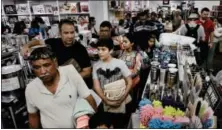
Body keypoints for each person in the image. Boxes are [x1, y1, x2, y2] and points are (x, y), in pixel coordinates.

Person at [25, 47, 97, 128]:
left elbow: (89, 99)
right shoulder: (31, 89)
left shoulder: (70, 72)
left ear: (55, 62)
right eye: (37, 67)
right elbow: (33, 116)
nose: (43, 71)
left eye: (46, 65)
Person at [22, 19, 93, 89]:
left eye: (72, 32)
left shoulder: (81, 49)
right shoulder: (53, 43)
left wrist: (69, 79)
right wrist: (26, 46)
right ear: (60, 33)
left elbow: (87, 72)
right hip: (57, 83)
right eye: (66, 33)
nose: (70, 36)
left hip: (75, 85)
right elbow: (38, 42)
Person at [92, 38, 132, 128]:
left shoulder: (120, 63)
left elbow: (129, 82)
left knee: (120, 125)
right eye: (98, 49)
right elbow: (96, 86)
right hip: (106, 103)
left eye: (103, 49)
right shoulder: (96, 66)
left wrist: (122, 98)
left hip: (122, 101)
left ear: (111, 50)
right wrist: (106, 100)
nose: (100, 52)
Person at [118, 33, 142, 111]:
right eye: (123, 42)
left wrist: (126, 77)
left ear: (132, 43)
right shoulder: (122, 52)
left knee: (130, 103)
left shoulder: (137, 55)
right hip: (121, 82)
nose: (123, 44)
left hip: (132, 83)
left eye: (125, 42)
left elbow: (137, 71)